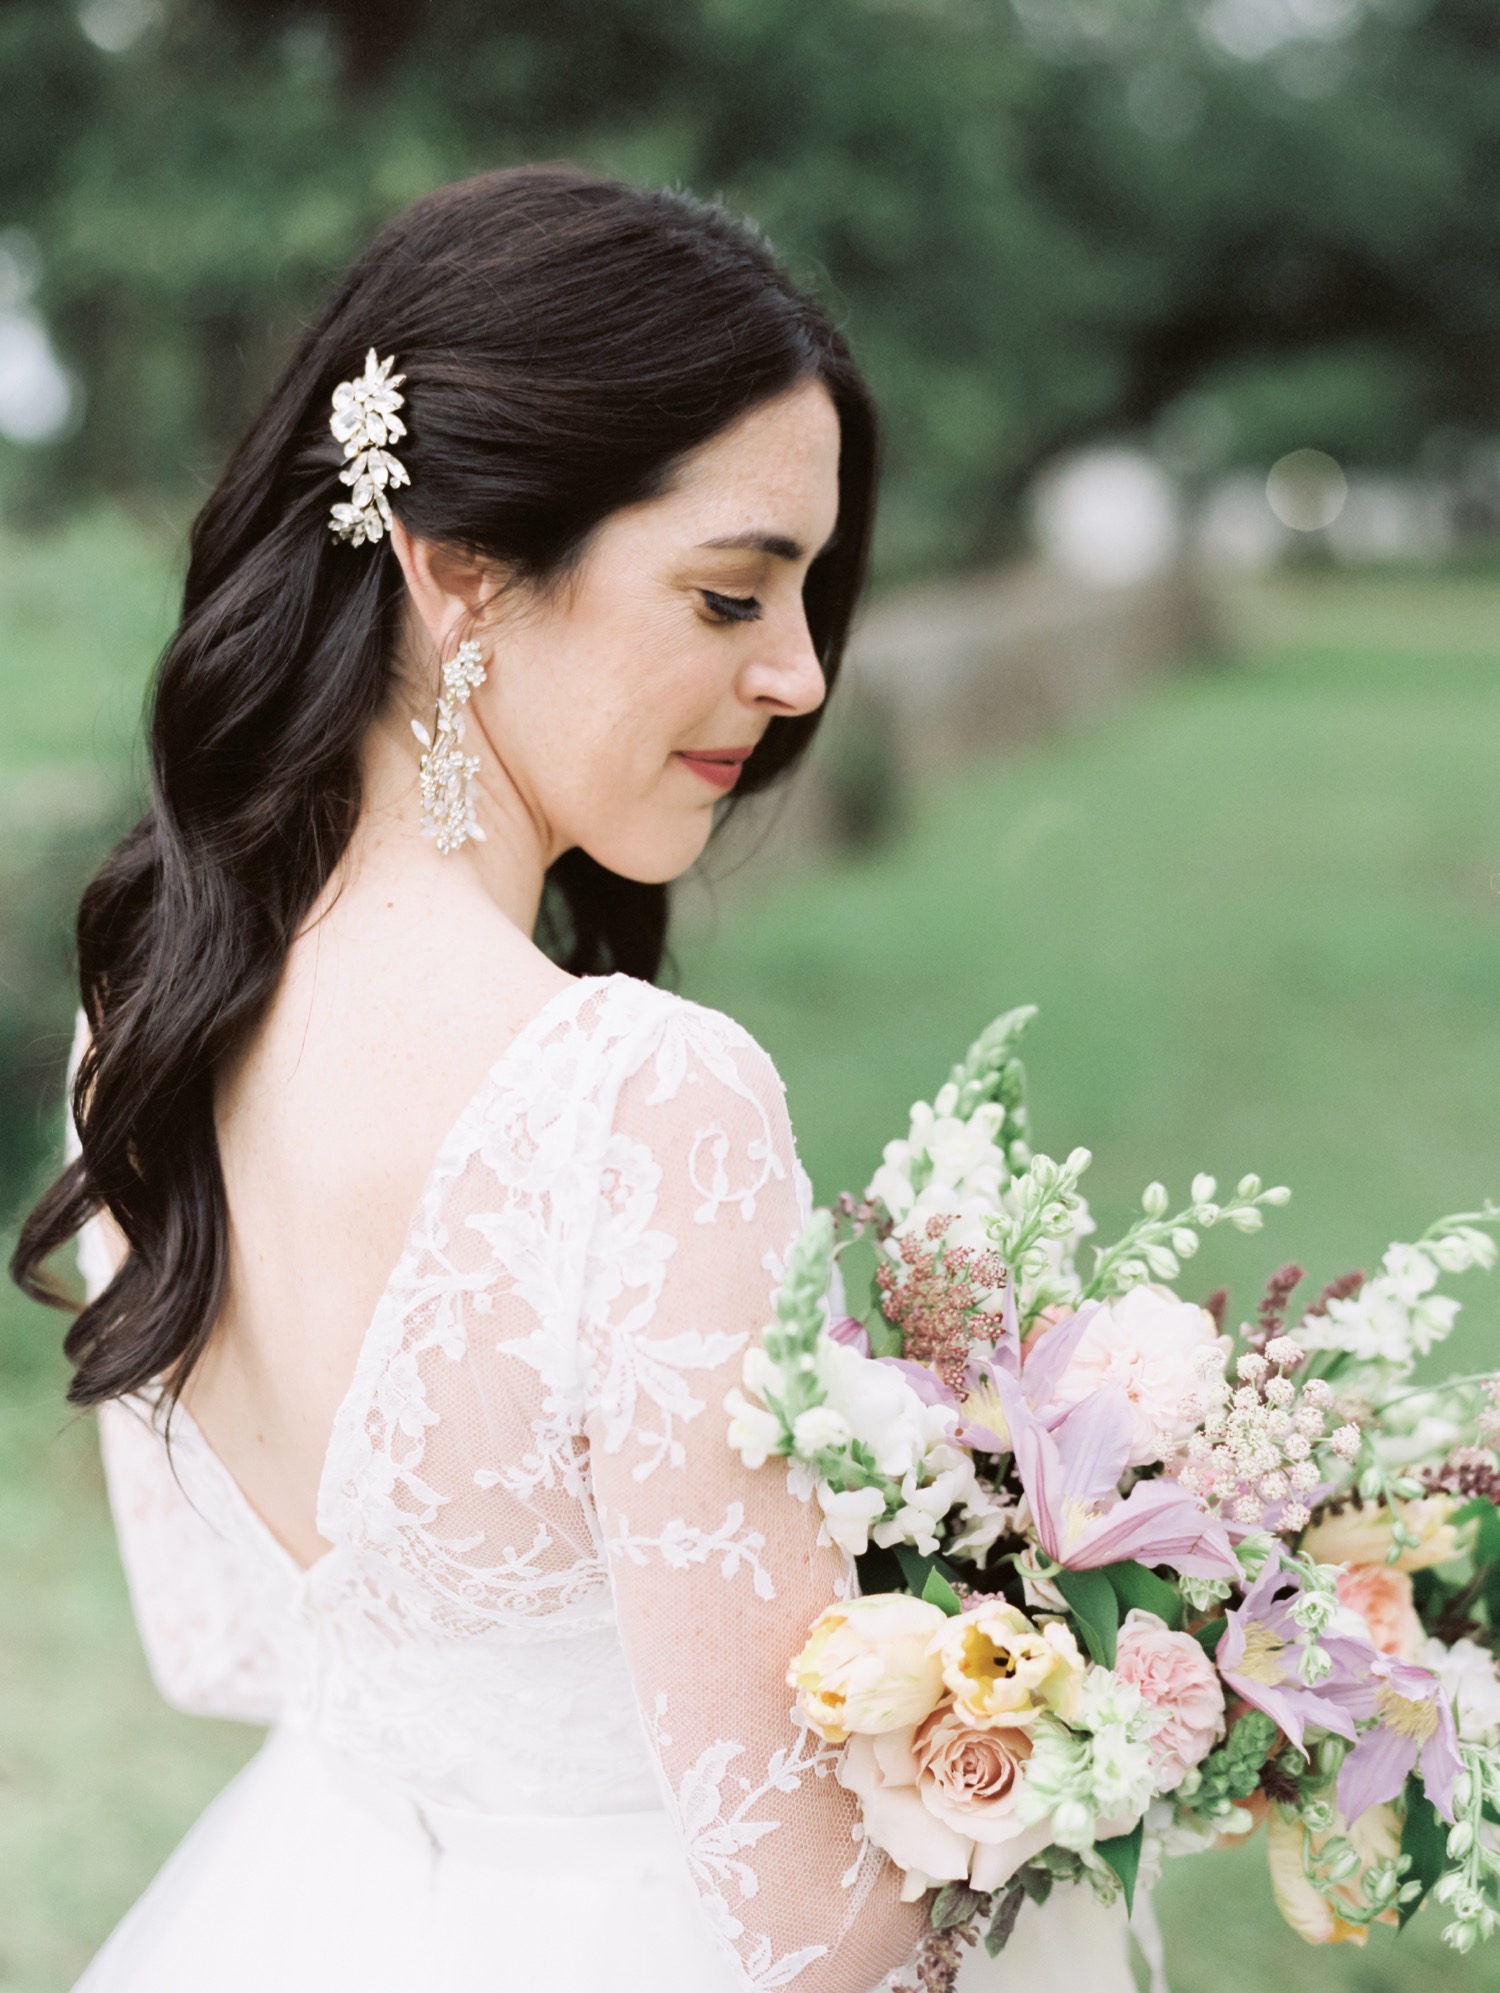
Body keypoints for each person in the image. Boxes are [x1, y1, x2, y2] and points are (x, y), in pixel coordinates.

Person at [13, 166, 1134, 1993]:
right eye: (727, 595)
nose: (795, 672)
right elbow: (811, 1924)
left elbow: (218, 1649)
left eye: (809, 597)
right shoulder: (631, 1094)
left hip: (328, 1909)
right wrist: (1117, 1721)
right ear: (457, 566)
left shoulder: (141, 1011)